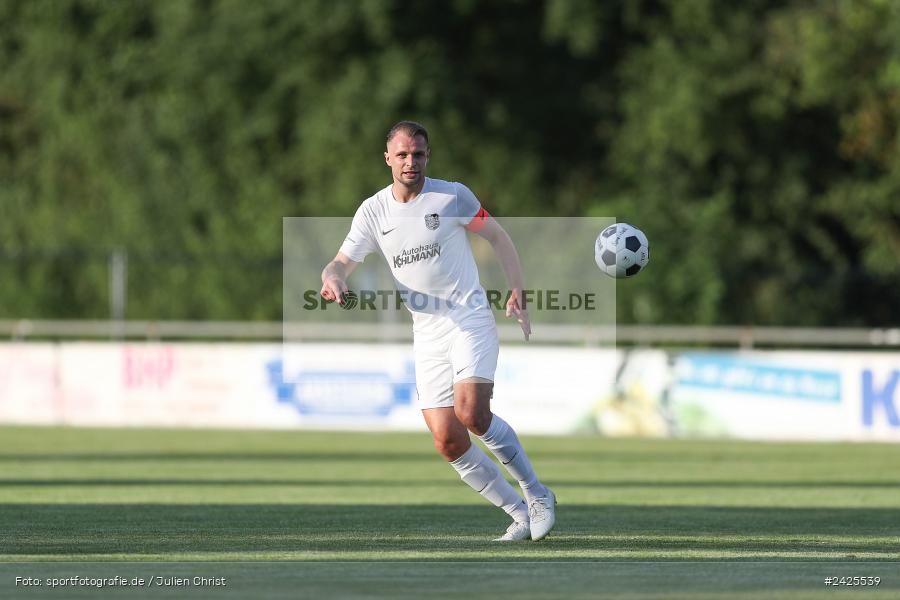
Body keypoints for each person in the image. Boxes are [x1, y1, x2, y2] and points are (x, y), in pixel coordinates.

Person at [319, 121, 555, 542]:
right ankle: (518, 513)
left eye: (420, 154)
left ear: (429, 156)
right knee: (448, 441)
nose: (412, 162)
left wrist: (517, 289)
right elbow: (339, 262)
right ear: (388, 158)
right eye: (404, 155)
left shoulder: (452, 196)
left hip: (469, 318)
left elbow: (498, 237)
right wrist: (333, 277)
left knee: (472, 413)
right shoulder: (372, 211)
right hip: (426, 333)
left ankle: (537, 494)